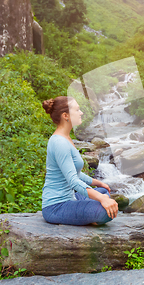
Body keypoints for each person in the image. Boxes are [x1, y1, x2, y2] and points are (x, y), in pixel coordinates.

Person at [41, 96, 118, 225]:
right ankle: (88, 217)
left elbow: (74, 172)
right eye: (77, 110)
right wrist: (101, 199)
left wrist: (98, 183)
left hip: (71, 198)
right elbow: (73, 181)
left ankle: (86, 215)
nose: (81, 112)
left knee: (103, 191)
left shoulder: (66, 137)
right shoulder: (60, 142)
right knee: (105, 211)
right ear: (66, 115)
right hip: (56, 206)